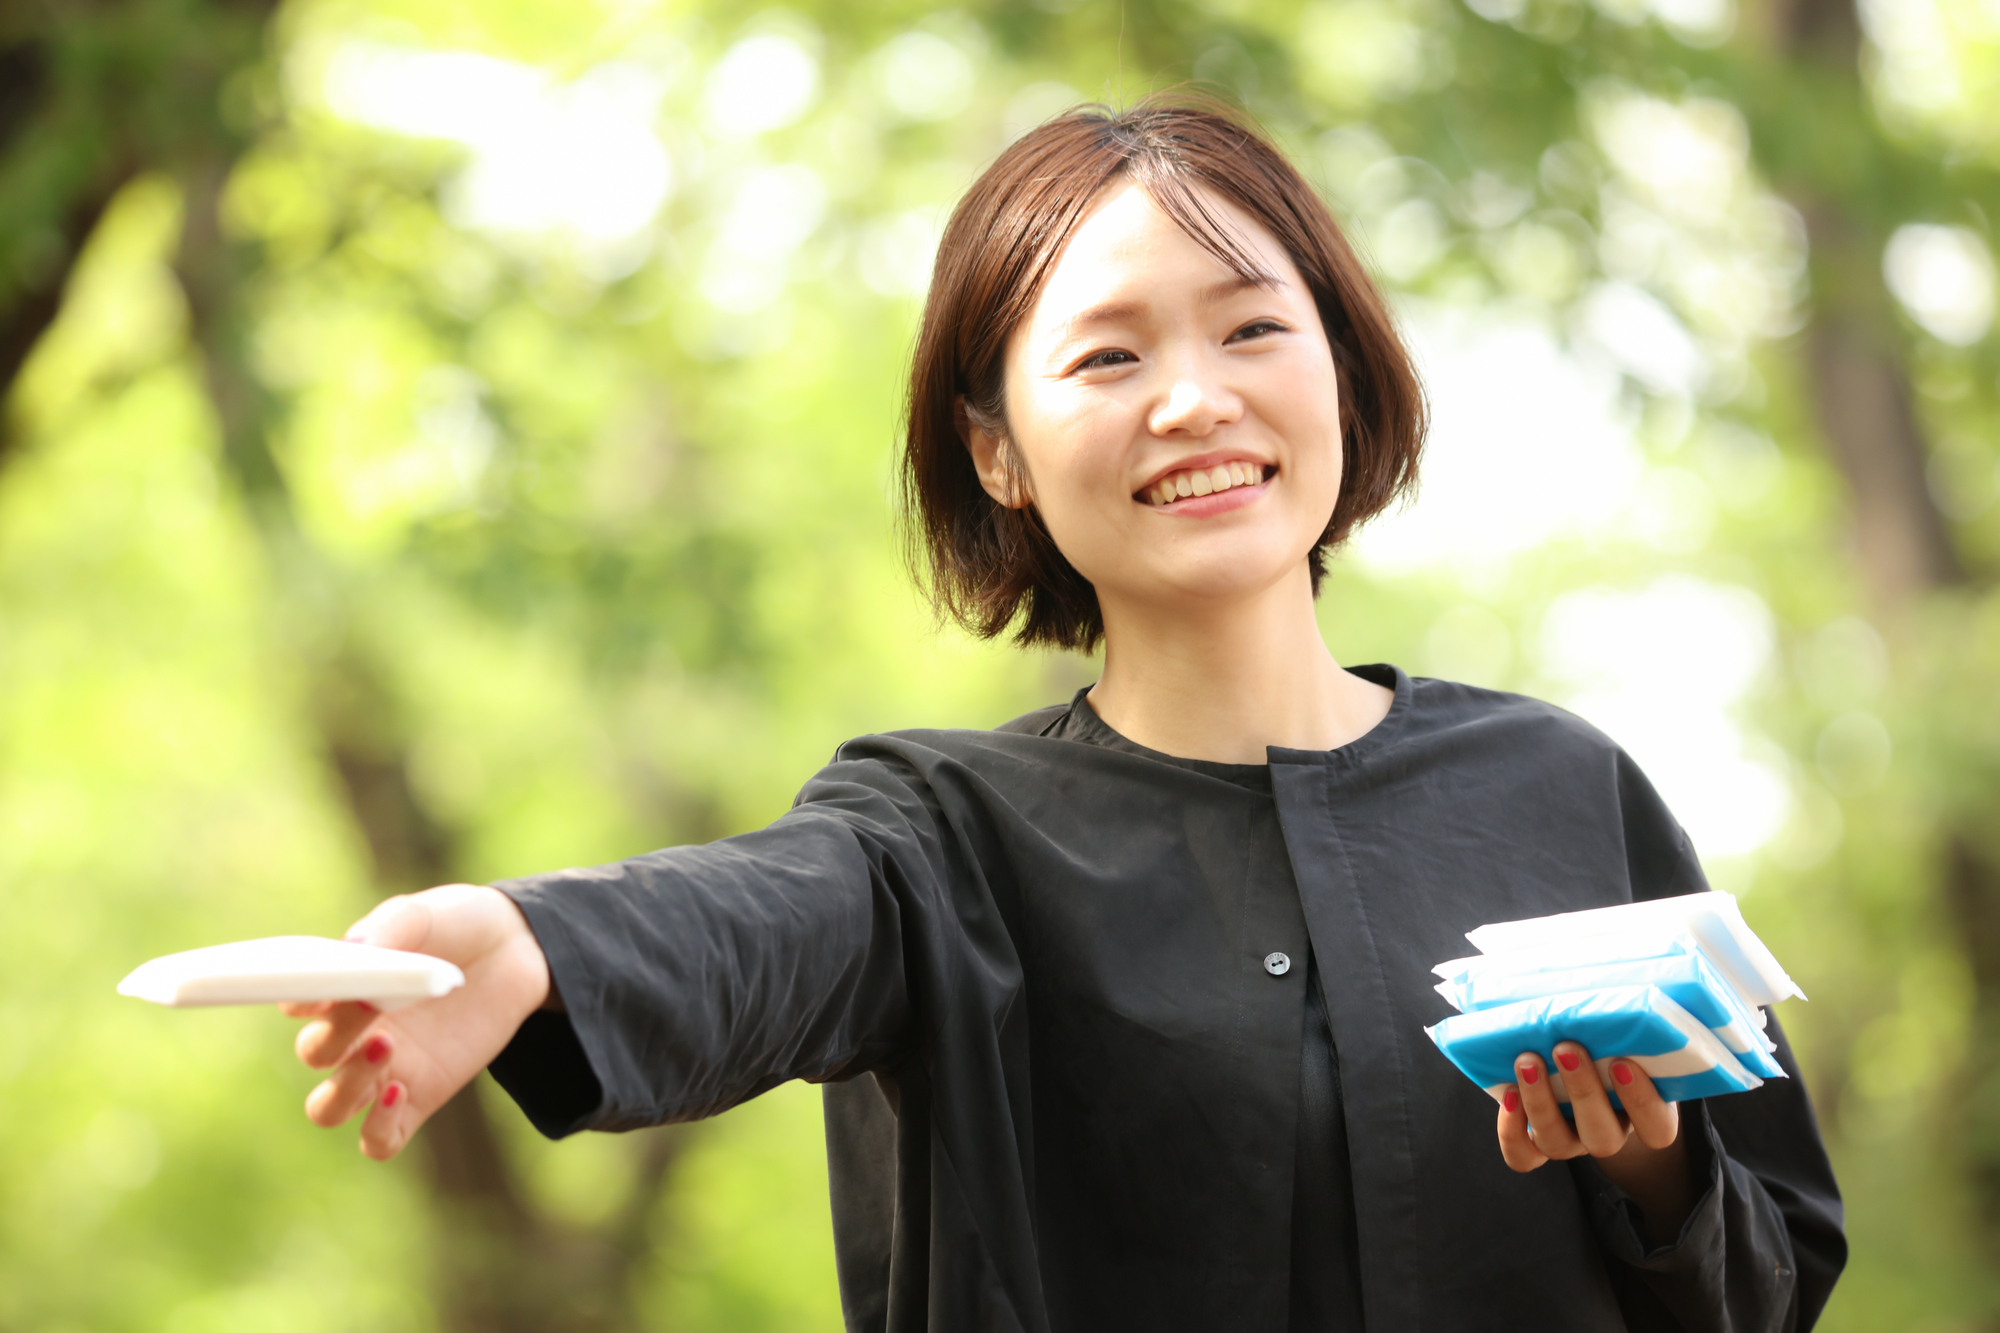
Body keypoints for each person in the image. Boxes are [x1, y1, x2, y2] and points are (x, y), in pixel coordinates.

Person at [282, 97, 1845, 1331]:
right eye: (1108, 355)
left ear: (1342, 366)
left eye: (1253, 327)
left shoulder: (1560, 790)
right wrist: (536, 942)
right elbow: (763, 917)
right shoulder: (940, 838)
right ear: (999, 452)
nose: (1195, 397)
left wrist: (1649, 1162)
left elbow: (1772, 1280)